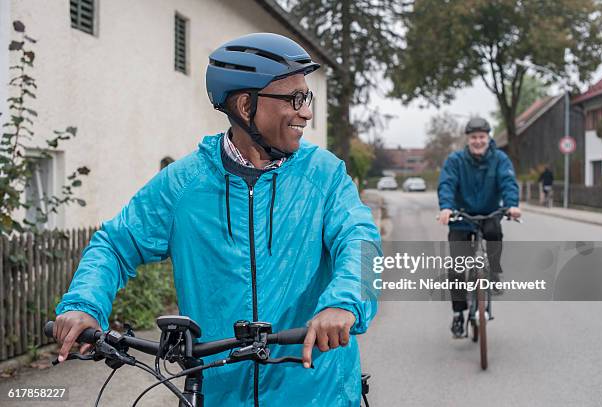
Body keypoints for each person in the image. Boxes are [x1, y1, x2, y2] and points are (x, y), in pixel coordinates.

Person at [52, 33, 380, 406]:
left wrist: (343, 303)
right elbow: (114, 244)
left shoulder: (324, 175)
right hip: (215, 391)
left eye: (306, 97)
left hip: (315, 390)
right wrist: (84, 304)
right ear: (245, 104)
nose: (306, 111)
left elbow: (361, 241)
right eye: (294, 98)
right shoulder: (184, 184)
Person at [437, 117, 520, 338]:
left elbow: (508, 182)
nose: (478, 141)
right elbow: (446, 184)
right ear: (468, 139)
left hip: (489, 213)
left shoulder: (500, 159)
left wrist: (512, 205)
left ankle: (493, 271)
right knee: (456, 268)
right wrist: (446, 208)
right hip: (461, 215)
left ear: (488, 137)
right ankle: (458, 315)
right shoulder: (455, 160)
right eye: (473, 137)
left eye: (482, 137)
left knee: (494, 233)